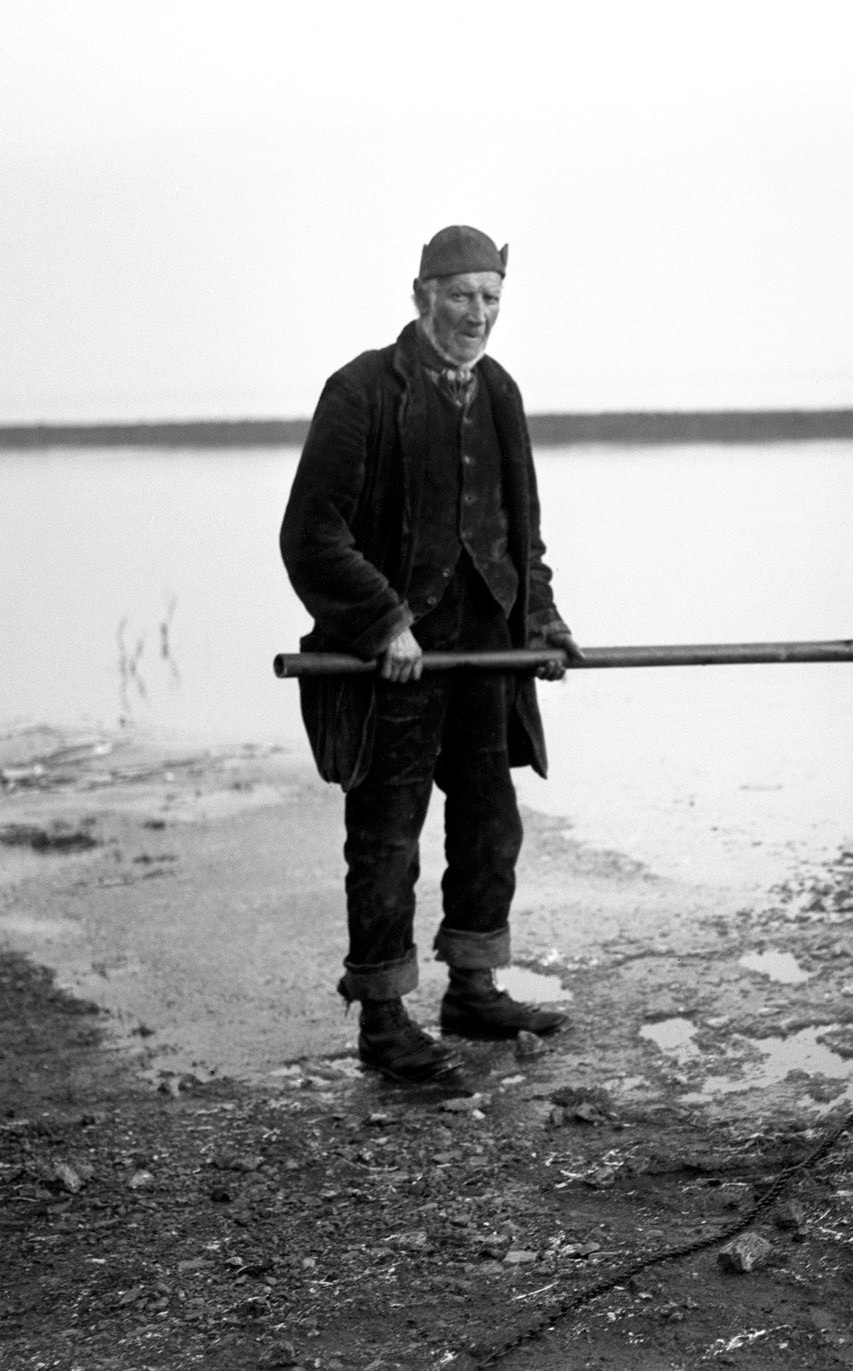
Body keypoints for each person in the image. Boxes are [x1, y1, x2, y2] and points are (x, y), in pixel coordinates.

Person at [280, 224, 582, 1084]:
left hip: (487, 654)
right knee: (387, 837)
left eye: (490, 298)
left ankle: (473, 988)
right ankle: (382, 1019)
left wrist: (544, 623)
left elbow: (523, 539)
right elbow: (310, 535)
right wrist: (383, 623)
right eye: (459, 296)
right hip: (394, 665)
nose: (476, 314)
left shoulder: (502, 395)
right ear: (421, 298)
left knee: (491, 820)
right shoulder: (362, 390)